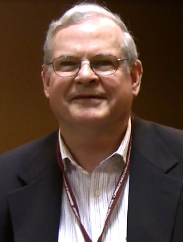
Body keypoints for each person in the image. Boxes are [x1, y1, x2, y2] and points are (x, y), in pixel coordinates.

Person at [0, 2, 183, 242]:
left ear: (134, 77)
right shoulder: (5, 177)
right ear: (46, 82)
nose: (85, 76)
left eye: (103, 62)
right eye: (67, 64)